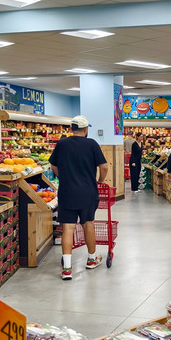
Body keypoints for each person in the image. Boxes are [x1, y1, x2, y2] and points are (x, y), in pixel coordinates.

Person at [49, 115, 109, 280]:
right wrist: (100, 181)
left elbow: (53, 165)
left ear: (70, 129)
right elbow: (104, 167)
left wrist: (64, 177)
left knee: (68, 227)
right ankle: (91, 259)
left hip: (67, 191)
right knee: (88, 224)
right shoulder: (91, 144)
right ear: (85, 129)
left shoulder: (62, 144)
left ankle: (67, 269)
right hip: (87, 192)